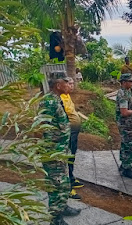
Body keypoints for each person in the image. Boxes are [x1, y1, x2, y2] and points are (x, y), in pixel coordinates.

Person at [38, 71, 81, 225]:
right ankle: (55, 219)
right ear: (58, 85)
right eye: (65, 81)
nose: (68, 83)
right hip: (53, 153)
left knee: (64, 183)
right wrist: (54, 152)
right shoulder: (48, 102)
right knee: (57, 185)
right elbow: (45, 127)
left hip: (61, 151)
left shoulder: (56, 99)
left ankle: (62, 207)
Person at [60, 77, 83, 201]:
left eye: (73, 84)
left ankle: (71, 178)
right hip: (67, 134)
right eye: (69, 84)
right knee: (67, 157)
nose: (72, 86)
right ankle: (68, 186)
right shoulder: (60, 98)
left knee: (72, 155)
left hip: (74, 133)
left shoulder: (67, 96)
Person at [116, 73, 132, 179]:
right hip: (126, 125)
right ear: (123, 82)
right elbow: (124, 112)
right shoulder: (123, 95)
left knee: (125, 144)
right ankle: (127, 169)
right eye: (130, 81)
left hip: (128, 124)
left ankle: (124, 165)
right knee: (129, 146)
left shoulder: (126, 92)